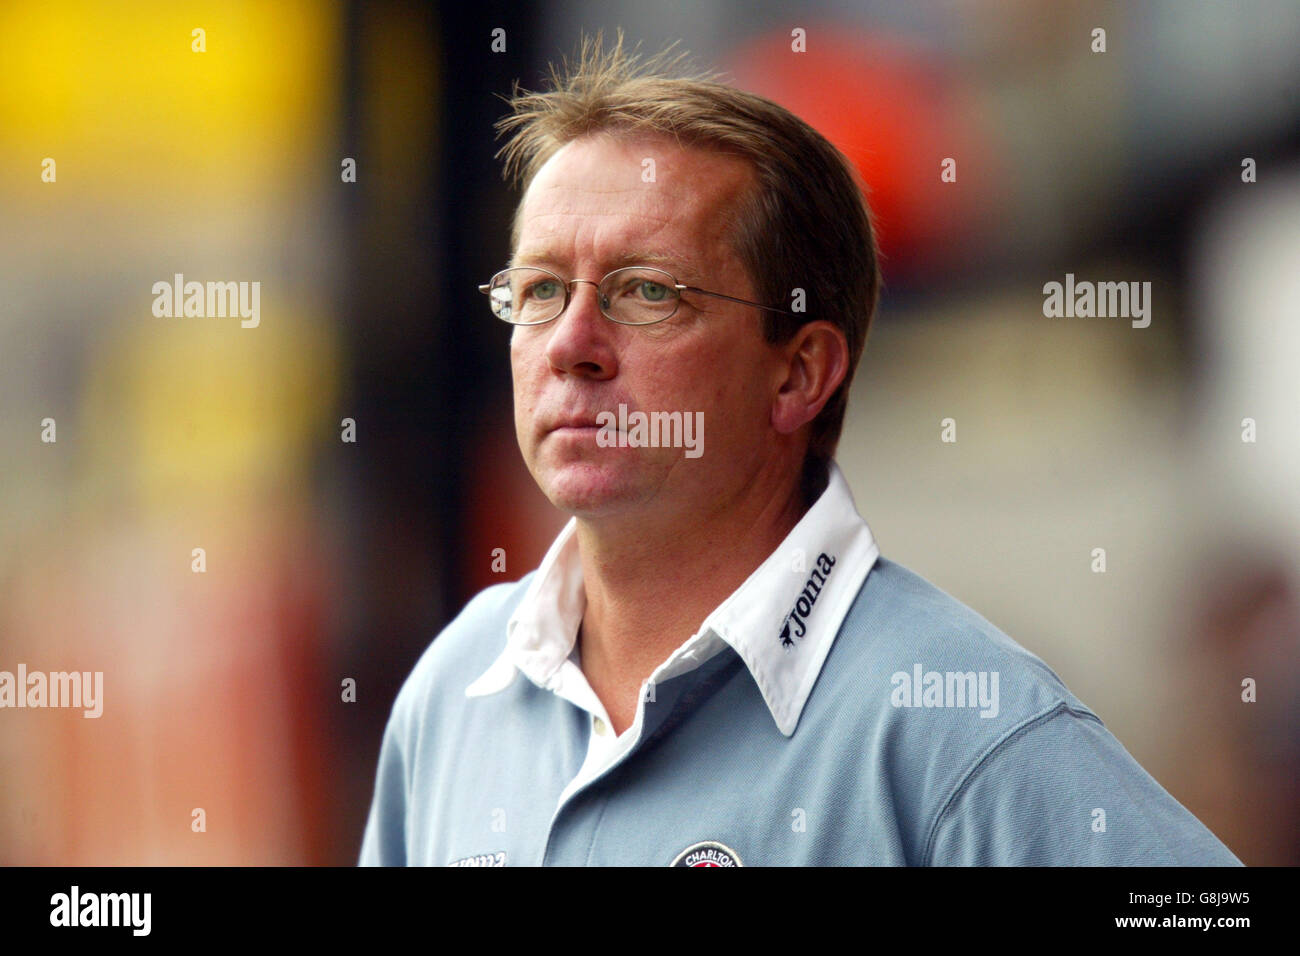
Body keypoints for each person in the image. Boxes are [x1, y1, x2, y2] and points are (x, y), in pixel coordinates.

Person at [359, 36, 1241, 867]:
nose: (570, 341)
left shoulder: (956, 719)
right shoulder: (456, 686)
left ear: (800, 375)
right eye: (541, 288)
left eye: (647, 293)